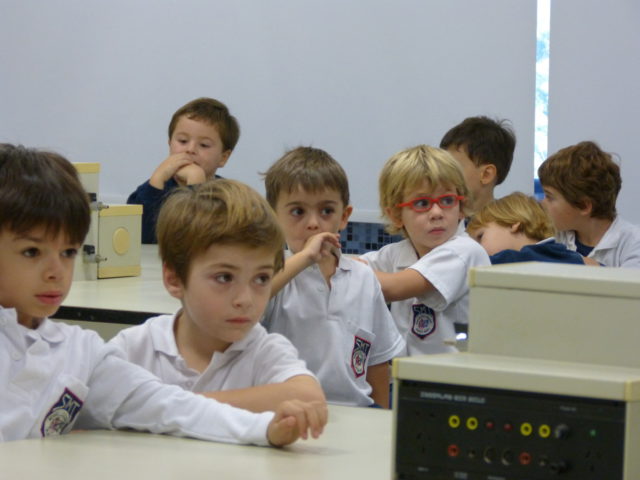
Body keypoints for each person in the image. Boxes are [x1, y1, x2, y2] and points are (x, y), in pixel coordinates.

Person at [0, 144, 326, 445]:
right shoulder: (123, 347)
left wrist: (263, 429)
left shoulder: (83, 353)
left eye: (69, 252)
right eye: (32, 252)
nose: (56, 272)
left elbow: (168, 407)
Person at [110, 179, 326, 413]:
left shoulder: (263, 351)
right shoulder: (136, 347)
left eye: (261, 279)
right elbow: (90, 403)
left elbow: (309, 397)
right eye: (224, 278)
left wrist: (172, 407)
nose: (245, 300)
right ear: (174, 279)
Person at [262, 147, 405, 408]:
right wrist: (305, 257)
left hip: (357, 411)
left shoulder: (363, 277)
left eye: (326, 211)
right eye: (297, 212)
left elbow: (377, 361)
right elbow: (251, 298)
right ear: (274, 217)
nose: (313, 223)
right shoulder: (271, 274)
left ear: (344, 217)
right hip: (291, 411)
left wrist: (382, 419)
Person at [360, 145, 490, 355]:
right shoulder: (399, 253)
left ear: (461, 207)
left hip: (456, 373)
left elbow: (393, 287)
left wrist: (335, 263)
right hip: (409, 371)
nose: (437, 212)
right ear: (395, 215)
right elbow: (356, 267)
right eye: (422, 203)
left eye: (447, 200)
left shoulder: (464, 252)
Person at [127, 97, 240, 244]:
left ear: (223, 157)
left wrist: (196, 186)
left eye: (204, 145)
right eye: (182, 141)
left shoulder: (230, 198)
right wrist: (156, 180)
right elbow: (139, 238)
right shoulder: (151, 190)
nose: (190, 149)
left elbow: (196, 241)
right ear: (170, 144)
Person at [538, 141, 640, 268]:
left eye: (549, 197)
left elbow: (630, 281)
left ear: (584, 206)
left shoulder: (633, 243)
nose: (542, 203)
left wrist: (579, 262)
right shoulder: (553, 237)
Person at [466, 192, 587, 265]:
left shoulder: (512, 259)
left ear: (513, 224)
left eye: (480, 237)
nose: (478, 247)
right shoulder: (572, 257)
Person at [440, 116, 516, 215]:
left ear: (486, 175)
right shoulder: (435, 217)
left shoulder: (507, 223)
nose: (443, 174)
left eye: (453, 168)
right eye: (442, 166)